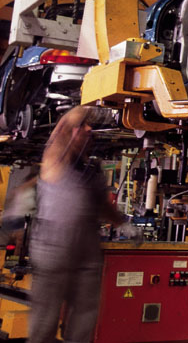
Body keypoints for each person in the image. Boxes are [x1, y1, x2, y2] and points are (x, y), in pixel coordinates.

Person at [28, 106, 138, 343]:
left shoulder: (92, 168)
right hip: (53, 247)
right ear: (69, 132)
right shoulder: (56, 157)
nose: (89, 130)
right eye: (83, 127)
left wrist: (123, 224)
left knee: (86, 316)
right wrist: (97, 108)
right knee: (45, 320)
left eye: (91, 127)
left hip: (87, 248)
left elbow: (102, 205)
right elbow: (68, 121)